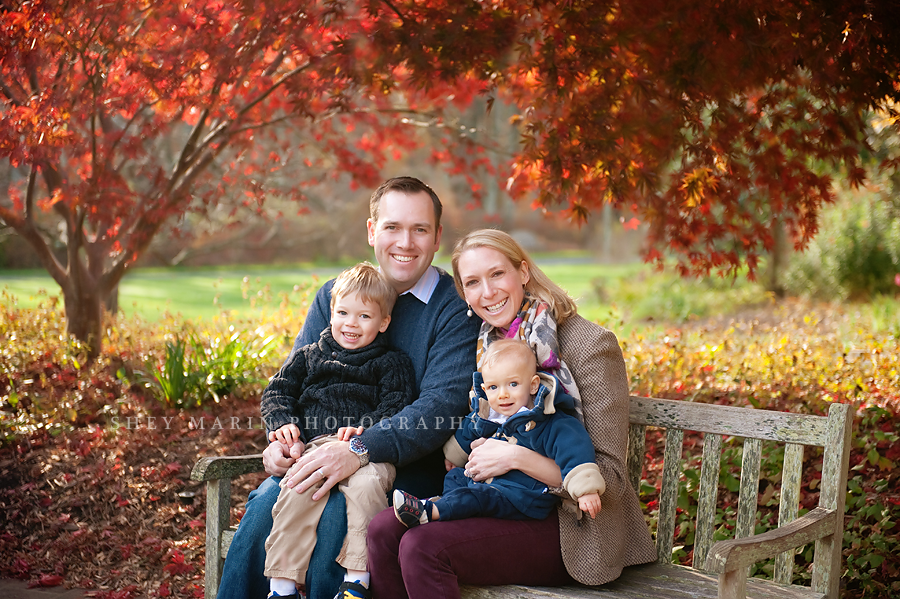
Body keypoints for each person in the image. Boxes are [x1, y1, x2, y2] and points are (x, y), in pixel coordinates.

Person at [216, 177, 481, 599]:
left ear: (437, 239)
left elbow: (440, 407)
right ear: (373, 230)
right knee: (268, 500)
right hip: (321, 450)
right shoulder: (336, 296)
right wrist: (283, 440)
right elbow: (297, 379)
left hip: (405, 468)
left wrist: (357, 450)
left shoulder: (453, 307)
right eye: (393, 227)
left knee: (337, 513)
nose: (405, 242)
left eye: (420, 229)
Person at [366, 229, 657, 599]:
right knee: (382, 529)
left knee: (423, 546)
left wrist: (514, 456)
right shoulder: (486, 344)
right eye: (472, 282)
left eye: (497, 274)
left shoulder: (589, 346)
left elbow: (611, 480)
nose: (487, 292)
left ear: (522, 272)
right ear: (464, 294)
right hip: (495, 498)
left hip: (567, 524)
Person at [261, 262, 416, 599]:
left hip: (367, 451)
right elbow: (277, 391)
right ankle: (283, 586)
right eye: (343, 312)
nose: (351, 324)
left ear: (383, 321)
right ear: (331, 312)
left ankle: (356, 581)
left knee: (367, 488)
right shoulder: (309, 356)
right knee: (296, 491)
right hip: (316, 446)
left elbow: (397, 403)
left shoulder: (391, 362)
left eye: (364, 316)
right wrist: (282, 423)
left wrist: (367, 428)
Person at [392, 338, 603, 528]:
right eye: (493, 387)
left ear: (533, 385)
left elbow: (575, 450)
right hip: (490, 486)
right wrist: (454, 455)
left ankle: (433, 511)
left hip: (520, 496)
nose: (502, 394)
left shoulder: (550, 421)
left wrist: (585, 490)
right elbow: (469, 429)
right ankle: (451, 507)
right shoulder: (491, 415)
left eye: (513, 384)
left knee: (476, 495)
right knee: (456, 476)